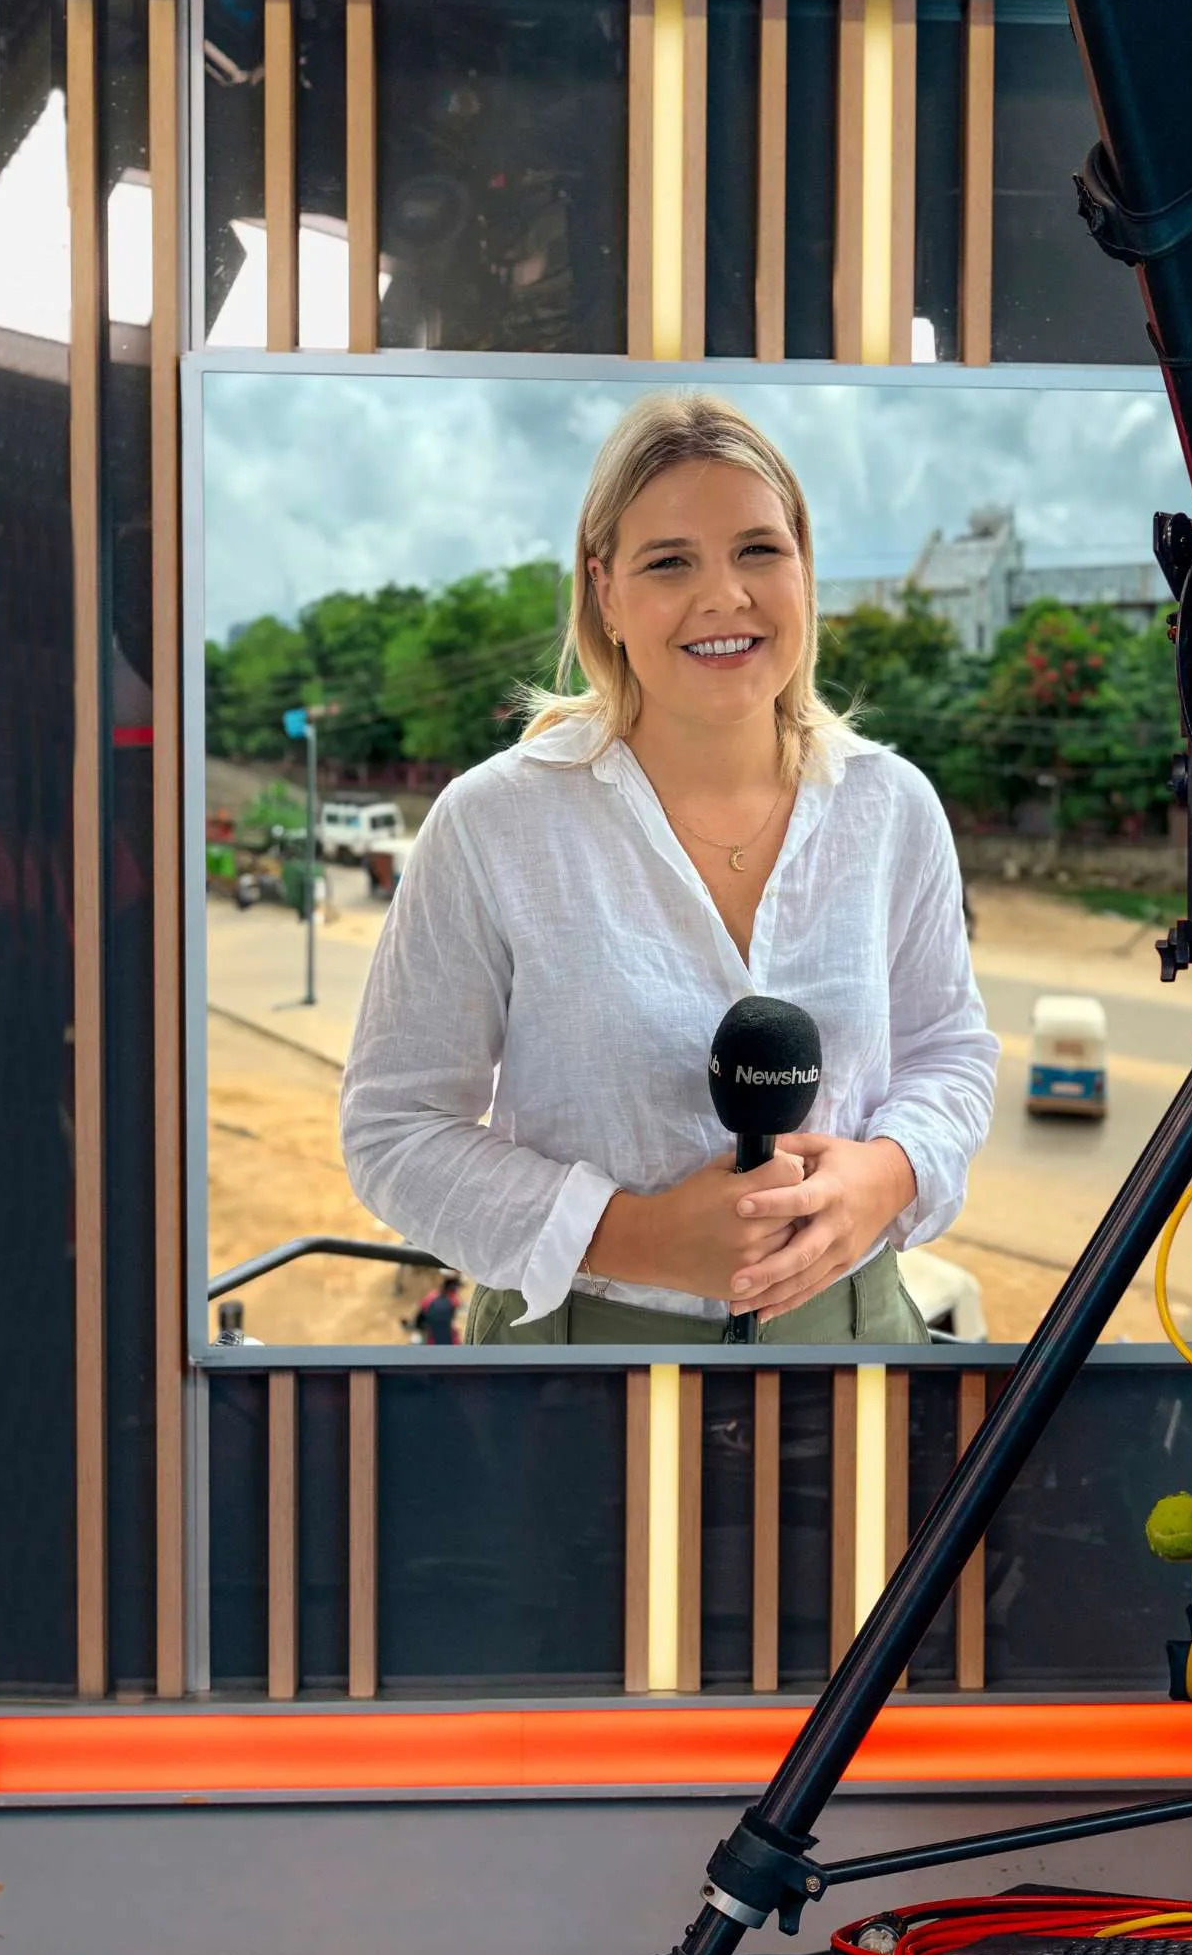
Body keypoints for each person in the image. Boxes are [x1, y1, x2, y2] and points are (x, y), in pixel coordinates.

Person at [340, 392, 998, 1346]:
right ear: (604, 591)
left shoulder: (891, 808)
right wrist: (637, 1236)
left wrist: (887, 1175)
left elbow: (951, 1053)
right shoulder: (493, 825)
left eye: (759, 550)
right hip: (571, 1357)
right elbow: (394, 1130)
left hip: (853, 1341)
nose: (724, 596)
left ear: (804, 570)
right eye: (670, 562)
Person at [409, 1272, 465, 1346]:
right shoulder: (453, 1301)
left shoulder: (430, 1297)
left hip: (431, 1336)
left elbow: (419, 1317)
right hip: (444, 1338)